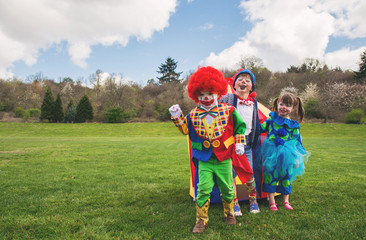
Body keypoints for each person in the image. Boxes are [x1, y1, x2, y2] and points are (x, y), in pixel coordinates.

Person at [169, 66, 249, 234]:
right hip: (204, 159)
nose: (205, 98)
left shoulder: (229, 110)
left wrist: (240, 143)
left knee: (227, 188)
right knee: (203, 188)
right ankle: (201, 220)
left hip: (224, 158)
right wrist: (177, 117)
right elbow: (185, 130)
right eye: (202, 95)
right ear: (195, 95)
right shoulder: (193, 114)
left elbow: (240, 128)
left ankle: (229, 214)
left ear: (217, 93)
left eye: (209, 94)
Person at [257, 92, 310, 211]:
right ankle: (272, 202)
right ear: (277, 104)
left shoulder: (294, 125)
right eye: (281, 104)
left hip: (287, 155)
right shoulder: (271, 119)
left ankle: (286, 201)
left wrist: (297, 158)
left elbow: (297, 142)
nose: (283, 107)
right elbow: (261, 129)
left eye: (287, 105)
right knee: (269, 176)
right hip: (271, 153)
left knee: (286, 176)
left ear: (292, 109)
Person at [219, 69, 261, 215]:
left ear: (252, 87)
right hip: (230, 144)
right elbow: (213, 101)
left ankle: (253, 201)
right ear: (234, 85)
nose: (243, 81)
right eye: (240, 79)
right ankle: (234, 203)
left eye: (247, 80)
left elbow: (255, 122)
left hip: (247, 144)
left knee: (249, 173)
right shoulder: (228, 98)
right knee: (230, 175)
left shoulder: (254, 102)